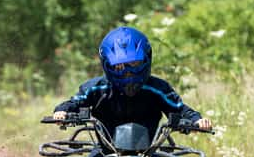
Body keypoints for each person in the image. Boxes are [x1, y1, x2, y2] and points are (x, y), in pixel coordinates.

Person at [52, 26, 212, 137]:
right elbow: (74, 103)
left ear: (146, 60)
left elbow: (180, 109)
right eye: (120, 66)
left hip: (148, 153)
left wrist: (197, 120)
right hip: (104, 153)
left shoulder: (157, 89)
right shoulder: (95, 88)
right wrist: (62, 111)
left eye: (134, 64)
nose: (128, 72)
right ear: (107, 65)